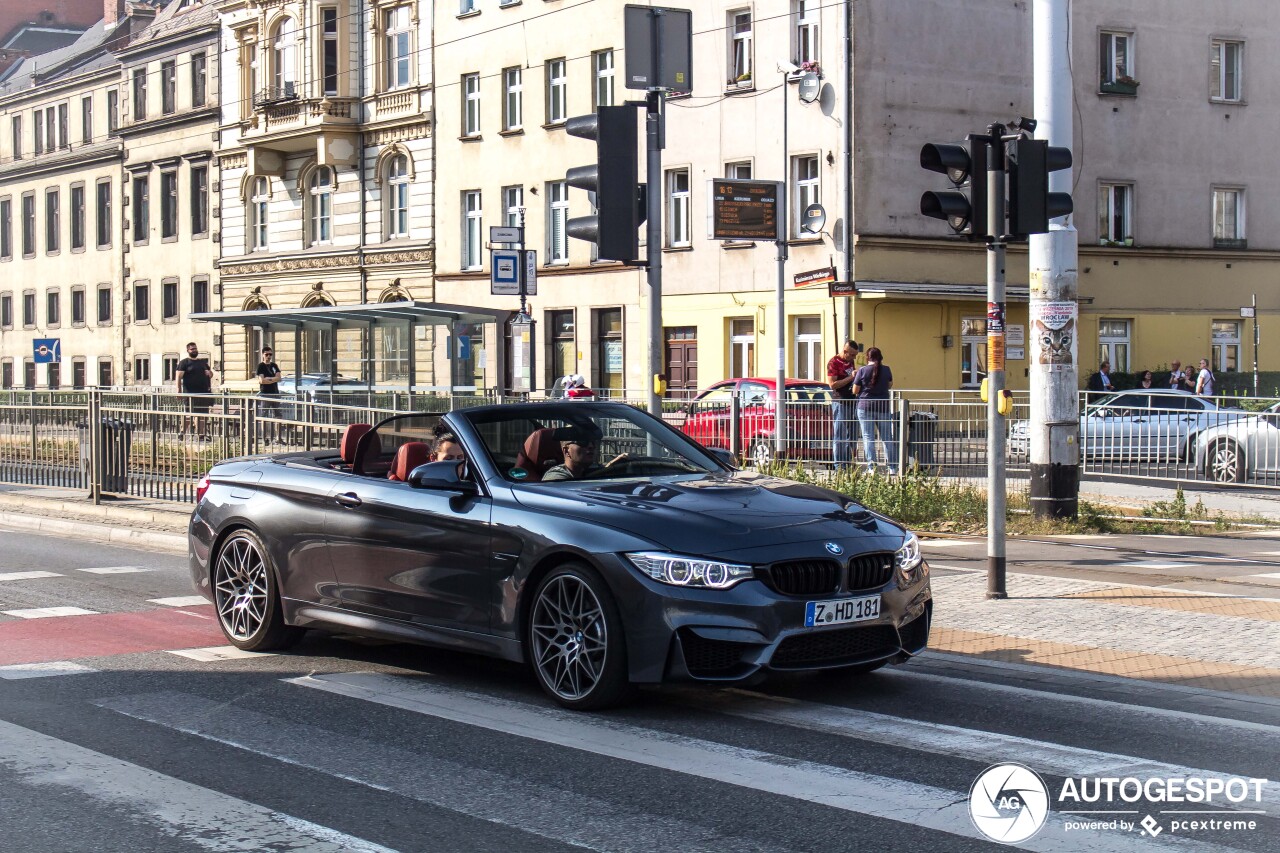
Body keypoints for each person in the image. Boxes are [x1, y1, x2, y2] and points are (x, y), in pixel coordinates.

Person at [852, 346, 897, 475]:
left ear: (867, 357)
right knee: (887, 437)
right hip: (883, 407)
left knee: (868, 437)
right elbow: (889, 385)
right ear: (880, 357)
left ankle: (872, 468)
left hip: (865, 407)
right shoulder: (886, 369)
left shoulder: (862, 371)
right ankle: (893, 467)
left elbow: (855, 390)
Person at [542, 429, 626, 481]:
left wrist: (613, 466)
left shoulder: (591, 470)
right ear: (567, 451)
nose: (591, 446)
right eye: (583, 442)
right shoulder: (555, 477)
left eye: (593, 442)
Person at [826, 340, 859, 470]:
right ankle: (839, 465)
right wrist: (851, 377)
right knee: (840, 434)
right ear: (845, 352)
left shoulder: (849, 361)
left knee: (852, 434)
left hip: (852, 400)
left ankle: (849, 462)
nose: (853, 358)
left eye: (855, 355)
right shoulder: (833, 362)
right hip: (840, 401)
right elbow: (832, 384)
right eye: (851, 355)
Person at [176, 341, 214, 440]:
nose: (194, 350)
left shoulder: (202, 362)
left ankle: (201, 434)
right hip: (190, 393)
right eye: (192, 349)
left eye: (195, 348)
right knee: (189, 414)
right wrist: (178, 391)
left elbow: (211, 375)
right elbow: (178, 377)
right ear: (188, 350)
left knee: (202, 415)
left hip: (203, 392)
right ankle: (182, 433)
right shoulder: (184, 362)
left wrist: (209, 373)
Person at [254, 347, 283, 441]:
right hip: (265, 394)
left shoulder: (274, 365)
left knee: (278, 415)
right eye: (267, 354)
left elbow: (279, 378)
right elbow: (262, 380)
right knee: (264, 415)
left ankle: (278, 437)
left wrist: (268, 379)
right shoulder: (260, 366)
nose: (269, 356)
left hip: (275, 393)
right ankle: (264, 437)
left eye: (270, 354)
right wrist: (272, 379)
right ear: (263, 355)